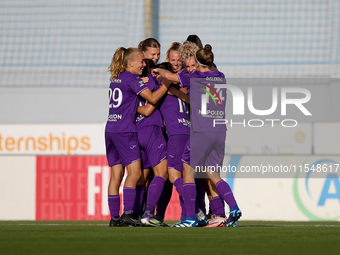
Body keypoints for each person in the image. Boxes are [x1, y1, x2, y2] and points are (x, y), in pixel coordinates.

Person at [153, 44, 242, 227]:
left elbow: (169, 76)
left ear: (198, 63)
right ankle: (234, 208)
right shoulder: (220, 76)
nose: (189, 67)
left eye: (192, 64)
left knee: (187, 171)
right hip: (219, 131)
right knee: (213, 174)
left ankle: (189, 218)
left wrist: (156, 70)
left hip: (201, 131)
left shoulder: (193, 76)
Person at [106, 47, 170, 227]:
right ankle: (128, 214)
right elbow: (152, 98)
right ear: (131, 62)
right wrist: (167, 83)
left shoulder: (116, 79)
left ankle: (114, 218)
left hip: (110, 128)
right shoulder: (132, 79)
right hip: (125, 130)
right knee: (135, 173)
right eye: (141, 61)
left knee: (115, 176)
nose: (144, 64)